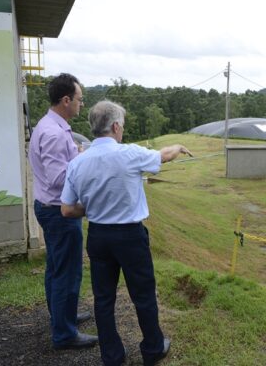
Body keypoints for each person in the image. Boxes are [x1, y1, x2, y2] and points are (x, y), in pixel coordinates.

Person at [60, 100, 192, 366]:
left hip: (98, 236)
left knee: (103, 298)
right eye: (123, 126)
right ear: (116, 126)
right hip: (130, 237)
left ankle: (112, 356)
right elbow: (163, 155)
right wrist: (177, 146)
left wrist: (95, 205)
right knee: (143, 295)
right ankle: (153, 348)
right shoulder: (129, 154)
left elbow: (66, 210)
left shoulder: (77, 162)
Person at [28, 73, 98, 350]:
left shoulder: (49, 126)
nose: (82, 104)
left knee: (56, 268)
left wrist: (75, 155)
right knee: (67, 273)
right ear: (66, 100)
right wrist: (82, 162)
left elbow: (55, 168)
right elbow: (59, 178)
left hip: (48, 206)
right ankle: (64, 334)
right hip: (59, 211)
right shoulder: (55, 134)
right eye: (79, 99)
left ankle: (62, 316)